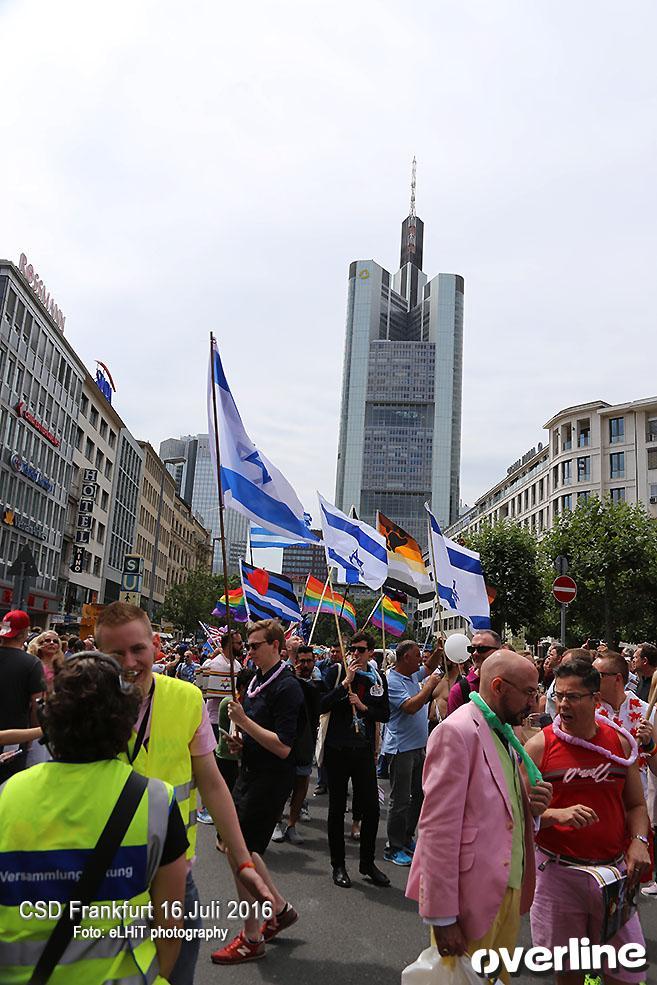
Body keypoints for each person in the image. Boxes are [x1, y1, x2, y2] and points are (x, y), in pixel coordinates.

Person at [94, 602, 270, 985]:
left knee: (175, 976)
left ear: (155, 645)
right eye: (115, 653)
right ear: (98, 656)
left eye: (138, 649)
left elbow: (211, 782)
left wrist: (243, 862)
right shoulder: (85, 704)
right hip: (103, 876)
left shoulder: (187, 697)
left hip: (173, 873)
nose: (129, 661)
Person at [0, 652, 188, 984]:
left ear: (49, 718)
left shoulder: (8, 794)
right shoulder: (157, 800)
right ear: (126, 720)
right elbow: (170, 923)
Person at [406, 651, 553, 983]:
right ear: (499, 687)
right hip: (471, 895)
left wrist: (532, 809)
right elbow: (436, 831)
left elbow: (501, 810)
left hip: (507, 888)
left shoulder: (504, 730)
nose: (534, 700)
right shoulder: (456, 732)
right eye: (529, 692)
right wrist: (442, 918)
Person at [524, 658, 650, 984]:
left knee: (625, 974)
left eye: (573, 697)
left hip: (612, 874)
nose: (563, 704)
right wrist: (555, 815)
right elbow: (514, 814)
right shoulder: (539, 747)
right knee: (570, 975)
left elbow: (636, 804)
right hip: (558, 875)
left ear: (595, 700)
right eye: (559, 696)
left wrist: (639, 842)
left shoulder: (620, 744)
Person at [212, 619, 303, 964]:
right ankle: (279, 908)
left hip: (271, 780)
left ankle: (252, 937)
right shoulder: (255, 680)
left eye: (254, 645)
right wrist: (241, 743)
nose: (248, 651)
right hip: (250, 773)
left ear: (276, 647)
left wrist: (246, 724)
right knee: (234, 847)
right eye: (246, 646)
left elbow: (283, 747)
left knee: (241, 855)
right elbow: (257, 736)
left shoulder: (288, 687)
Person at [320, 631, 391, 889]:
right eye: (352, 649)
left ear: (371, 652)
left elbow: (385, 713)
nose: (356, 654)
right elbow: (320, 704)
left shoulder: (377, 678)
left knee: (371, 808)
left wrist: (363, 707)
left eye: (361, 650)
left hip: (362, 751)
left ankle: (367, 862)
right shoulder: (336, 672)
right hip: (337, 750)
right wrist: (343, 684)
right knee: (337, 809)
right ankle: (338, 865)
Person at [382, 640, 442, 866]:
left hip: (418, 747)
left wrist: (439, 652)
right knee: (400, 800)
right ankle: (393, 846)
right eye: (417, 655)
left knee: (418, 795)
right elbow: (410, 707)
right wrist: (430, 685)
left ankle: (407, 838)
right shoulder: (393, 680)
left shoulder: (411, 675)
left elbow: (428, 668)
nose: (421, 659)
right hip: (401, 749)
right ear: (405, 657)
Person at [275, 645, 324, 845]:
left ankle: (292, 825)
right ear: (295, 662)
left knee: (302, 782)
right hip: (285, 742)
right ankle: (276, 822)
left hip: (306, 742)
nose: (305, 665)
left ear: (314, 663)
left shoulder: (316, 684)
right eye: (301, 661)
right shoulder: (286, 682)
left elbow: (319, 703)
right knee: (281, 786)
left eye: (308, 661)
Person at [0, 610, 45, 785]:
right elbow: (37, 705)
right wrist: (32, 735)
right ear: (25, 633)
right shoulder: (31, 664)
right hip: (14, 738)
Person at [446, 629, 501, 715]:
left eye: (482, 648)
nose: (475, 653)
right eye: (471, 649)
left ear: (498, 651)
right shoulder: (460, 690)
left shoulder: (510, 683)